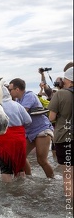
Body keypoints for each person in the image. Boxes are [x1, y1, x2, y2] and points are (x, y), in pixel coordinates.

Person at [8, 78, 54, 178]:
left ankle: (52, 180)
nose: (9, 92)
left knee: (41, 160)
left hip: (42, 130)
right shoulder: (17, 100)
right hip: (30, 133)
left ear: (17, 89)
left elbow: (21, 113)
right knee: (20, 156)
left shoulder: (29, 95)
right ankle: (29, 178)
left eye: (10, 89)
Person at [0, 86, 32, 182]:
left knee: (5, 169)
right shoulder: (17, 105)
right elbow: (28, 121)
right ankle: (21, 190)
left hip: (2, 140)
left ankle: (8, 193)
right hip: (19, 139)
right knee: (20, 166)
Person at [48, 67, 73, 200]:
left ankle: (71, 207)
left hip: (65, 137)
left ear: (68, 79)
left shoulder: (60, 94)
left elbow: (51, 117)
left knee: (68, 177)